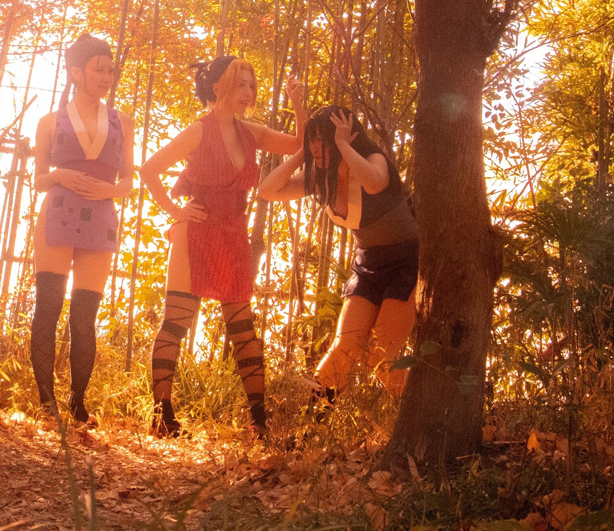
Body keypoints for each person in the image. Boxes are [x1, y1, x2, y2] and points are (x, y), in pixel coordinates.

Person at [140, 55, 300, 438]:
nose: (248, 93)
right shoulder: (198, 130)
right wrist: (177, 210)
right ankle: (162, 416)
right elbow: (148, 169)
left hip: (233, 234)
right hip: (196, 232)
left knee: (243, 327)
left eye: (251, 85)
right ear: (217, 88)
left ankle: (259, 422)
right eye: (240, 84)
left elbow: (300, 143)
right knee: (176, 320)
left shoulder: (252, 132)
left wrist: (298, 104)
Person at [257, 84, 419, 416]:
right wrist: (302, 152)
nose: (317, 146)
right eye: (312, 138)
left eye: (321, 138)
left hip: (408, 260)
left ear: (345, 136)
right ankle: (311, 425)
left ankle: (404, 423)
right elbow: (268, 190)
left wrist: (343, 145)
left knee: (385, 353)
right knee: (345, 347)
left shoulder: (372, 159)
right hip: (369, 264)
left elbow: (374, 182)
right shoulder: (319, 177)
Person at [29, 33, 135, 424]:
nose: (107, 76)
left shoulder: (122, 121)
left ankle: (77, 402)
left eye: (110, 70)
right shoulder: (48, 122)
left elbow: (128, 181)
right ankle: (45, 401)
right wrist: (60, 174)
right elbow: (39, 178)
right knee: (49, 305)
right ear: (76, 72)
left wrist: (110, 189)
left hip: (102, 216)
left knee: (84, 313)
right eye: (98, 69)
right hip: (58, 211)